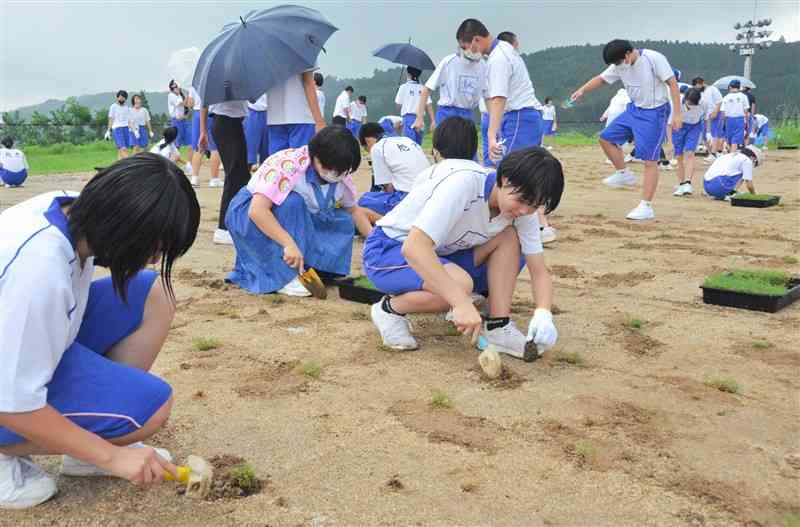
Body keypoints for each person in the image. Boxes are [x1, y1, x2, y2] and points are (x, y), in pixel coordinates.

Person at [0, 154, 200, 509]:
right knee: (150, 408)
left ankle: (83, 444)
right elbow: (12, 403)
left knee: (154, 293)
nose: (153, 260)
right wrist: (110, 456)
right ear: (126, 231)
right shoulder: (39, 272)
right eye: (154, 249)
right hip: (7, 389)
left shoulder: (74, 209)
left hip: (21, 335)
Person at [362, 117, 563, 360]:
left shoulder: (523, 210)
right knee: (460, 285)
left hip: (441, 252)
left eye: (534, 206)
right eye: (521, 200)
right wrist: (460, 302)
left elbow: (538, 269)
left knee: (509, 237)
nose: (524, 211)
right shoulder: (464, 185)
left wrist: (543, 313)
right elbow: (414, 247)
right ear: (504, 179)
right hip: (389, 248)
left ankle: (498, 327)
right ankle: (389, 310)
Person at [225, 126, 371, 296]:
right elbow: (257, 211)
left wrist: (375, 241)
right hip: (251, 215)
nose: (334, 174)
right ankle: (283, 277)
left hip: (299, 217)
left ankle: (321, 270)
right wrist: (288, 244)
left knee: (343, 219)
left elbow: (354, 211)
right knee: (292, 203)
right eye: (328, 168)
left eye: (341, 171)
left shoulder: (340, 173)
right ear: (314, 155)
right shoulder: (287, 165)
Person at [570, 39, 681, 220]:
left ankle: (646, 206)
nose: (619, 66)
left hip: (654, 112)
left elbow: (673, 83)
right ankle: (623, 173)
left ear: (629, 53)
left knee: (650, 160)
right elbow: (601, 79)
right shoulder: (619, 63)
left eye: (620, 61)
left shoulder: (653, 58)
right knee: (606, 138)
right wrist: (582, 90)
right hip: (634, 109)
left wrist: (677, 114)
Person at [455, 21, 544, 163]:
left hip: (519, 118)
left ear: (476, 40)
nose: (466, 53)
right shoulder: (505, 49)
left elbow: (499, 99)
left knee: (510, 172)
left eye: (465, 48)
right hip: (525, 118)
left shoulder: (498, 58)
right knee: (526, 173)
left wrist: (491, 135)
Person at [356, 122, 431, 226]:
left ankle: (391, 224)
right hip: (430, 197)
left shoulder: (377, 148)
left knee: (364, 200)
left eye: (366, 148)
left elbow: (389, 189)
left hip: (409, 199)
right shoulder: (407, 140)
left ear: (367, 141)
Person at [199, 98, 249, 246]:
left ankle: (235, 224)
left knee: (242, 177)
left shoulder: (239, 78)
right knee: (234, 176)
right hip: (225, 122)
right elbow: (205, 102)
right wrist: (202, 131)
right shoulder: (225, 79)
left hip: (233, 123)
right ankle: (223, 229)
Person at [412, 48, 486, 134]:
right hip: (447, 113)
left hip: (467, 114)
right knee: (443, 146)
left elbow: (487, 94)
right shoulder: (449, 61)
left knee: (465, 146)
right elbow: (427, 88)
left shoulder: (482, 64)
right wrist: (419, 118)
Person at [266, 70, 326, 155]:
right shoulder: (304, 56)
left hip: (275, 116)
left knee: (278, 164)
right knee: (302, 163)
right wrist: (319, 122)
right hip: (301, 116)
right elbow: (308, 81)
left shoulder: (265, 56)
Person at [671, 88, 706, 196]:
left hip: (694, 127)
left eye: (693, 104)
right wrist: (672, 141)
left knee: (690, 153)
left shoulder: (704, 103)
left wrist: (707, 134)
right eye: (688, 102)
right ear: (685, 98)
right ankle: (681, 185)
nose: (690, 105)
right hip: (678, 127)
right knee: (679, 157)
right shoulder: (677, 103)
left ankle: (687, 183)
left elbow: (706, 118)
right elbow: (669, 123)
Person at [187, 85, 223, 188]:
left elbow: (190, 103)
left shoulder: (194, 84)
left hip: (197, 114)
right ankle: (214, 179)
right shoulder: (215, 81)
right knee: (215, 147)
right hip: (211, 113)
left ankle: (194, 178)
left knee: (199, 146)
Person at [692, 77, 723, 162]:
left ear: (702, 83)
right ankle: (710, 152)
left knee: (714, 133)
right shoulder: (699, 92)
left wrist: (716, 112)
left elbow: (719, 101)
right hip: (704, 116)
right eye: (696, 87)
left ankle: (713, 153)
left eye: (698, 86)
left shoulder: (713, 89)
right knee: (705, 136)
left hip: (714, 114)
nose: (697, 88)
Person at [395, 67, 428, 145]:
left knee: (409, 145)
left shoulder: (403, 87)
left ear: (408, 74)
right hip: (420, 120)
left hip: (408, 118)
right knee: (418, 145)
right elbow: (427, 104)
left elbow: (398, 105)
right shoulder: (423, 88)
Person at [600, 88, 634, 164]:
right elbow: (628, 108)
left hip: (613, 120)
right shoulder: (626, 96)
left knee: (609, 140)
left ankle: (618, 157)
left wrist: (604, 115)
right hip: (618, 120)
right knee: (616, 141)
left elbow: (610, 107)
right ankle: (612, 159)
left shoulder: (615, 97)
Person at [720, 80, 750, 152]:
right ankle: (732, 154)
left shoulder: (726, 97)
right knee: (736, 139)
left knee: (729, 138)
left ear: (730, 87)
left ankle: (731, 153)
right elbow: (746, 110)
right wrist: (747, 121)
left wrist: (723, 122)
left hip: (729, 119)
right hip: (740, 119)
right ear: (739, 87)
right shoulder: (743, 96)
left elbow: (723, 112)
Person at [245, 94, 269, 171]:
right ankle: (246, 180)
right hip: (252, 111)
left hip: (271, 113)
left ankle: (264, 179)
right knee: (249, 153)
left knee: (267, 155)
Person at [105, 91, 132, 160]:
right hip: (117, 129)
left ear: (125, 99)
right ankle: (130, 164)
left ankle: (119, 168)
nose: (121, 99)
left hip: (126, 129)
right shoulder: (113, 107)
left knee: (121, 150)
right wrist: (108, 131)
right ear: (117, 97)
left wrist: (133, 130)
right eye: (120, 97)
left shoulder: (127, 108)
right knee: (123, 149)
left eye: (123, 97)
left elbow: (129, 120)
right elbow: (111, 119)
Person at [167, 80, 191, 152]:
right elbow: (182, 104)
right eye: (173, 87)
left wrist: (186, 115)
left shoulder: (180, 96)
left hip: (183, 120)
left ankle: (187, 161)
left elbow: (187, 105)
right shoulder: (171, 95)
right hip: (176, 121)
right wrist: (188, 95)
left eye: (176, 86)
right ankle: (173, 158)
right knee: (177, 142)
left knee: (188, 140)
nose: (175, 88)